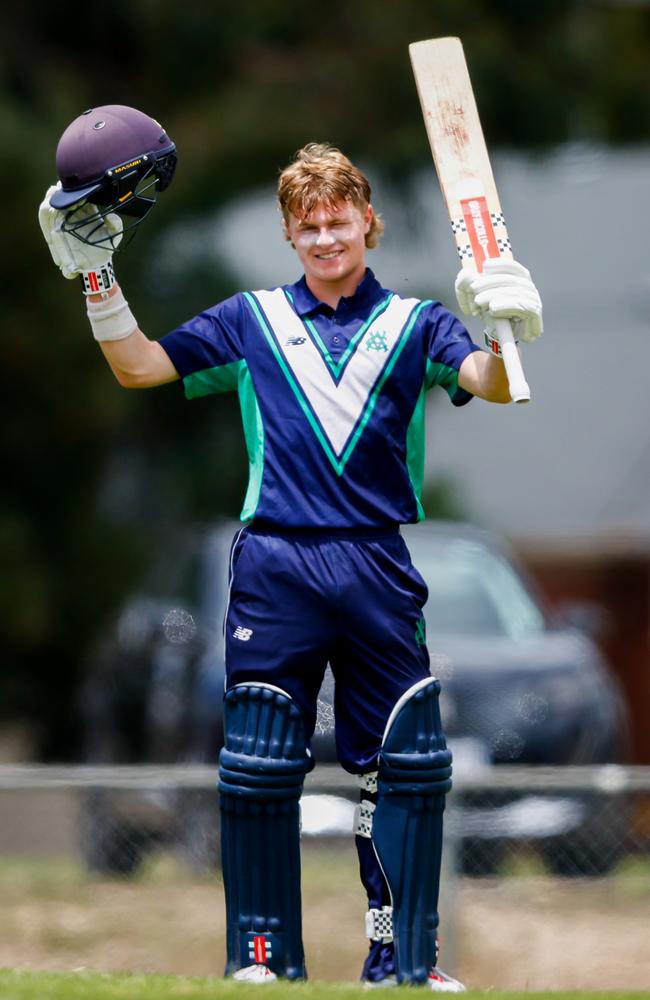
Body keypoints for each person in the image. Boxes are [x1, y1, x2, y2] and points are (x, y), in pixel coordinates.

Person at [39, 136, 542, 990]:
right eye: (307, 226)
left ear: (368, 222)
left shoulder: (419, 323)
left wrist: (511, 323)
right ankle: (263, 959)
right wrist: (98, 279)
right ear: (289, 233)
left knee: (408, 764)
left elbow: (491, 381)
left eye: (338, 221)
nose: (324, 239)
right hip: (275, 563)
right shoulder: (250, 321)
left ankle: (406, 961)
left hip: (377, 560)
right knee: (259, 762)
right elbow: (140, 366)